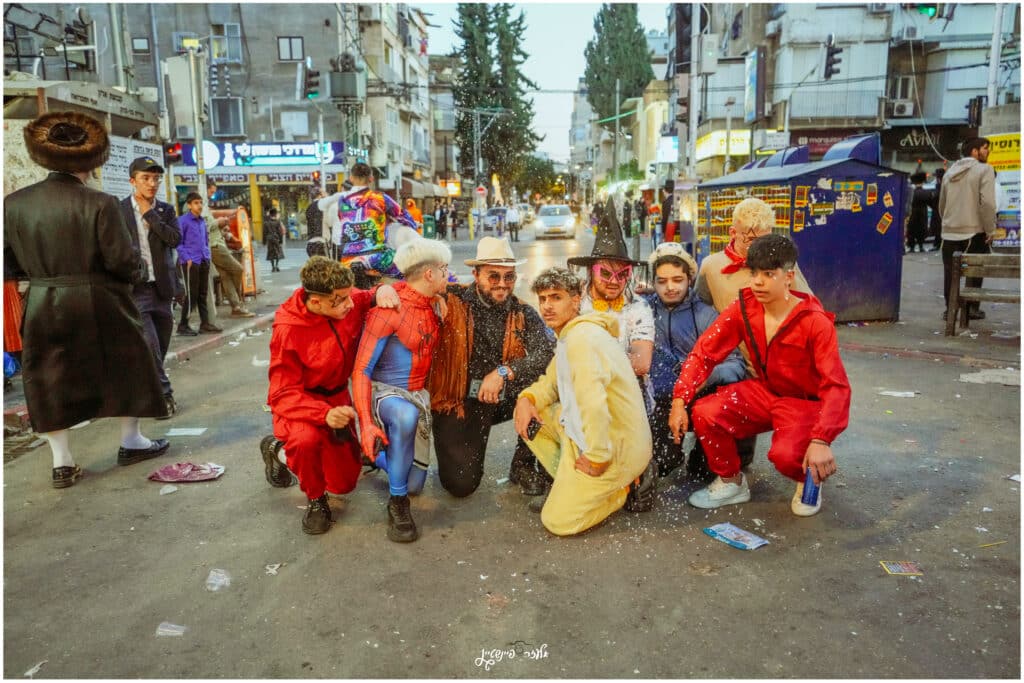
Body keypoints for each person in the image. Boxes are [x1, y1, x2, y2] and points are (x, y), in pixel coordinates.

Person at [4, 111, 170, 488]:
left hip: (45, 300)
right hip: (101, 299)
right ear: (89, 161)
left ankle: (62, 462)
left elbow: (9, 262)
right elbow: (123, 260)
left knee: (48, 376)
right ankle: (132, 440)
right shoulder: (101, 203)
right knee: (129, 365)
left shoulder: (13, 204)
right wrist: (138, 274)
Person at [669, 234, 851, 516]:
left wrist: (822, 440)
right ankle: (732, 482)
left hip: (804, 403)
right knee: (706, 411)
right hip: (765, 392)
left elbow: (836, 386)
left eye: (768, 274)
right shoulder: (744, 307)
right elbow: (704, 352)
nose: (757, 282)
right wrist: (680, 399)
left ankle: (809, 477)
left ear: (788, 277)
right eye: (753, 273)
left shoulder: (815, 322)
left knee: (785, 456)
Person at [261, 256, 400, 535]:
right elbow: (282, 393)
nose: (350, 304)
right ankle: (310, 493)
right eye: (341, 300)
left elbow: (366, 296)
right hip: (303, 404)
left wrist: (381, 290)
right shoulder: (288, 330)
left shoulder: (345, 301)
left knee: (344, 484)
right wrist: (322, 414)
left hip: (338, 398)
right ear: (315, 302)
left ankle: (310, 461)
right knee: (305, 441)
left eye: (349, 295)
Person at [512, 267, 656, 536]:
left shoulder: (582, 340)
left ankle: (619, 491)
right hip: (592, 434)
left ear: (576, 300)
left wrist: (598, 457)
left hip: (615, 448)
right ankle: (572, 483)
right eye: (543, 299)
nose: (547, 306)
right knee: (531, 414)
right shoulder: (571, 336)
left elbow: (593, 403)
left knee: (557, 522)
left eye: (556, 297)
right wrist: (526, 398)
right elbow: (550, 382)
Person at [428, 237, 555, 498]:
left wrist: (503, 372)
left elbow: (544, 353)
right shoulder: (450, 299)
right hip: (458, 401)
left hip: (501, 396)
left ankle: (524, 464)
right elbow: (411, 289)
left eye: (509, 277)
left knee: (551, 386)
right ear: (476, 274)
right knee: (460, 486)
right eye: (493, 276)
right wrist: (380, 291)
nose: (502, 284)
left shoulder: (522, 312)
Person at [353, 238, 452, 543]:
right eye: (445, 269)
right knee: (406, 417)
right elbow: (361, 370)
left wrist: (436, 299)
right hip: (386, 393)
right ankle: (397, 505)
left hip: (417, 395)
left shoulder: (432, 302)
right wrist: (366, 423)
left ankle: (371, 458)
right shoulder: (388, 309)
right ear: (430, 275)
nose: (449, 274)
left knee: (414, 482)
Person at [643, 242, 746, 479]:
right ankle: (670, 451)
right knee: (664, 464)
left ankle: (725, 450)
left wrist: (704, 377)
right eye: (662, 281)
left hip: (700, 393)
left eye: (677, 280)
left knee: (703, 473)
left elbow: (735, 364)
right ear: (653, 282)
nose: (670, 287)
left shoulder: (705, 314)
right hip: (659, 398)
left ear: (690, 278)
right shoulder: (643, 311)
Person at [568, 197, 654, 405]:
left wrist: (588, 363)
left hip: (627, 395)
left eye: (623, 274)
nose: (614, 281)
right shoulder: (575, 303)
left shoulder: (638, 306)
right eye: (605, 273)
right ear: (591, 271)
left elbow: (641, 364)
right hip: (580, 395)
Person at [120, 156, 182, 418]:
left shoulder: (165, 210)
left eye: (156, 178)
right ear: (133, 181)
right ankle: (164, 396)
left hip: (163, 288)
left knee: (161, 343)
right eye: (146, 178)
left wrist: (149, 215)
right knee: (151, 345)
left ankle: (149, 387)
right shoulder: (119, 210)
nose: (152, 183)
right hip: (136, 290)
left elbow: (175, 239)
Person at [319, 163, 419, 284]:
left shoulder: (342, 201)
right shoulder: (380, 198)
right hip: (376, 257)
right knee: (412, 273)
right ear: (371, 178)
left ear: (351, 178)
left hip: (348, 259)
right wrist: (413, 225)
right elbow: (404, 217)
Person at [938, 137, 996, 321]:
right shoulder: (984, 170)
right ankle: (971, 309)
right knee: (975, 270)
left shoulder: (949, 173)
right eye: (985, 148)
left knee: (950, 272)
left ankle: (951, 309)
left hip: (949, 232)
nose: (988, 152)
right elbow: (986, 203)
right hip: (974, 232)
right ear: (974, 151)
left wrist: (948, 222)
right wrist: (990, 230)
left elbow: (942, 205)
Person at [177, 192, 222, 336]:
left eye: (201, 202)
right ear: (189, 205)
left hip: (203, 259)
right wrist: (186, 258)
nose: (199, 206)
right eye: (196, 203)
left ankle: (205, 324)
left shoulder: (202, 221)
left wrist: (207, 256)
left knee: (203, 294)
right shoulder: (183, 221)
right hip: (191, 262)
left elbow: (205, 241)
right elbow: (178, 242)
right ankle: (183, 325)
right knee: (192, 294)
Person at [205, 190, 254, 319]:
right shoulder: (201, 213)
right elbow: (203, 228)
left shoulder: (208, 211)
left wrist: (222, 228)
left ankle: (236, 306)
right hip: (215, 246)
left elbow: (212, 230)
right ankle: (237, 299)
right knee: (238, 269)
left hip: (218, 243)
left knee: (226, 276)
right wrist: (218, 222)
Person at [906, 172, 931, 254]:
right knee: (921, 229)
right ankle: (921, 246)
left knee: (912, 230)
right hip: (922, 213)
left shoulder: (912, 192)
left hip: (913, 213)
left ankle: (911, 247)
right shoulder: (926, 193)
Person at [305, 188, 328, 257]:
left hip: (311, 241)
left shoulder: (309, 208)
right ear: (320, 195)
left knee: (315, 266)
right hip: (322, 241)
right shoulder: (324, 206)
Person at [264, 207, 285, 272]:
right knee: (278, 252)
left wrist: (264, 241)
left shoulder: (266, 223)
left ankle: (273, 267)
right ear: (275, 214)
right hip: (276, 238)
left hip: (269, 239)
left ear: (270, 215)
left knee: (271, 253)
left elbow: (264, 232)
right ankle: (277, 265)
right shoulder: (277, 222)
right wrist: (281, 240)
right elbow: (280, 232)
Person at [928, 167, 945, 250]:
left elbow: (935, 198)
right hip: (940, 211)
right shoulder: (943, 185)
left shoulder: (940, 186)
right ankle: (938, 243)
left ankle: (938, 244)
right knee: (939, 228)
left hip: (938, 211)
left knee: (938, 228)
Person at [660, 179, 676, 244]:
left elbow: (665, 218)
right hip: (678, 230)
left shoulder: (666, 202)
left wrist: (663, 231)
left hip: (669, 229)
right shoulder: (676, 200)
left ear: (665, 190)